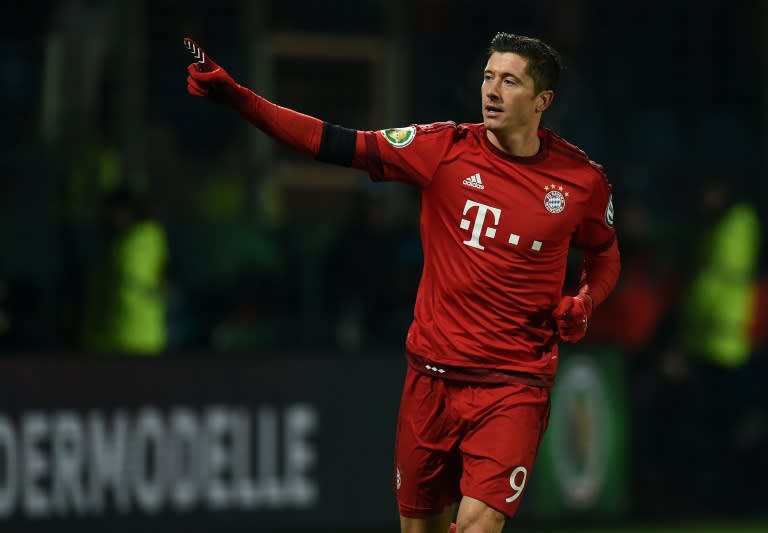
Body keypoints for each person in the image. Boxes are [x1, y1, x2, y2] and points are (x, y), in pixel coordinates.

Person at [185, 32, 620, 533]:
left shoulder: (581, 181)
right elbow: (330, 141)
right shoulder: (443, 149)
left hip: (513, 385)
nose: (492, 90)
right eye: (487, 76)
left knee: (480, 527)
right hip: (431, 379)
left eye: (509, 81)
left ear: (542, 100)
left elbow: (605, 254)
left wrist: (587, 300)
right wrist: (238, 98)